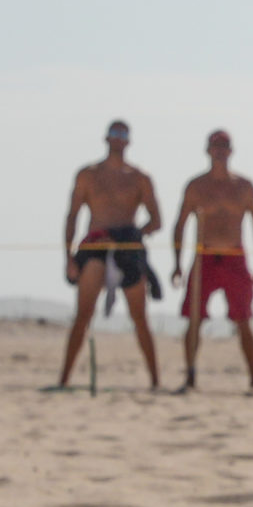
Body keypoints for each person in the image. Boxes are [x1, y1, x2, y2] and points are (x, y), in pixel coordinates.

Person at [54, 120, 164, 392]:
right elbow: (72, 215)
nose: (118, 139)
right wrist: (68, 256)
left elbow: (156, 220)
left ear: (128, 141)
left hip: (127, 248)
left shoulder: (140, 178)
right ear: (106, 138)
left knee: (140, 317)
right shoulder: (88, 175)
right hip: (95, 247)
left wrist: (132, 234)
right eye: (114, 134)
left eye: (123, 134)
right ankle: (64, 379)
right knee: (83, 314)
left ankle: (155, 381)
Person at [167, 129, 253, 394]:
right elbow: (179, 224)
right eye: (215, 147)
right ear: (208, 151)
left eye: (224, 147)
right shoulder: (197, 187)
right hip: (205, 257)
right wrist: (176, 262)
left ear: (231, 151)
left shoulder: (243, 187)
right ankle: (189, 375)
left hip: (235, 256)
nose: (220, 152)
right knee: (194, 319)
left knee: (244, 319)